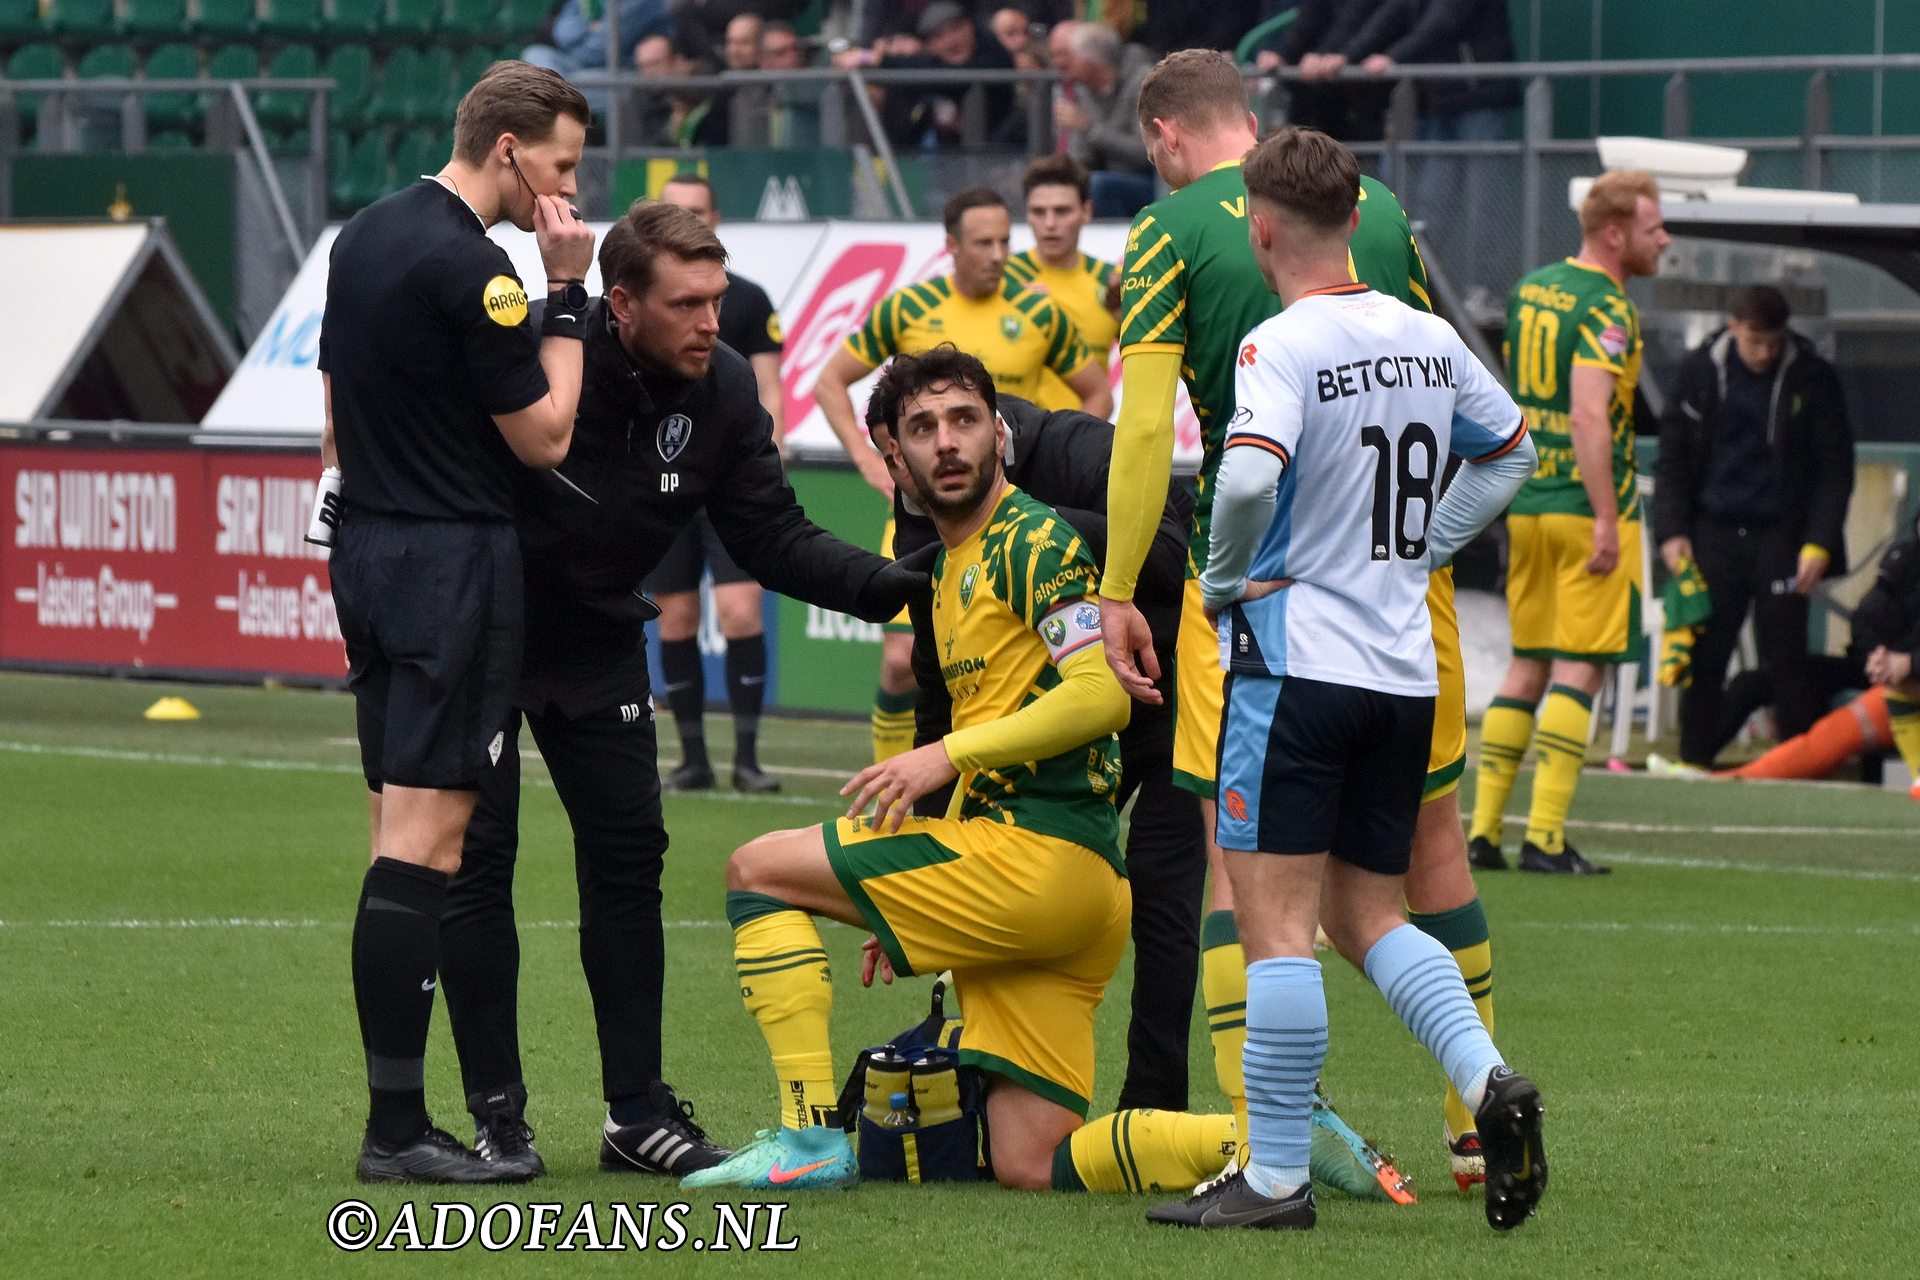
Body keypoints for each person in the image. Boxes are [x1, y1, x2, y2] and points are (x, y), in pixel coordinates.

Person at [437, 199, 935, 1181]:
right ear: (619, 304)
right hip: (482, 634)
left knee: (629, 860)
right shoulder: (539, 354)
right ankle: (498, 1117)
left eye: (717, 297)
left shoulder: (725, 392)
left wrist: (899, 586)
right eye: (689, 303)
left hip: (598, 643)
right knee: (476, 864)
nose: (716, 320)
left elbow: (773, 537)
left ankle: (637, 1112)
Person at [682, 346, 1238, 1195]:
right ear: (892, 459)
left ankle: (805, 1136)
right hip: (1071, 891)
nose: (947, 442)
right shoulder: (945, 572)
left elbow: (1102, 699)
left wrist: (943, 755)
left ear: (1000, 436)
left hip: (1034, 864)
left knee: (755, 873)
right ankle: (1260, 1140)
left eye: (965, 420)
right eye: (923, 428)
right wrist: (908, 885)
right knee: (1030, 1161)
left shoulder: (1033, 539)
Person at [1101, 50, 1501, 1194]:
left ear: (1167, 136)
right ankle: (1472, 1113)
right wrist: (1432, 538)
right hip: (1403, 584)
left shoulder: (1170, 224)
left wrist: (1130, 585)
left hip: (1274, 590)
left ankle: (1259, 1143)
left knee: (1249, 876)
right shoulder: (1367, 205)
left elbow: (1146, 437)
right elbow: (1468, 408)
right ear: (1255, 120)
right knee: (1429, 852)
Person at [318, 61, 596, 1183]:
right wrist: (564, 293)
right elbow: (547, 436)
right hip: (451, 562)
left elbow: (333, 399)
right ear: (511, 149)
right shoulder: (478, 266)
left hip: (369, 547)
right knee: (425, 848)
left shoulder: (364, 233)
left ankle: (399, 1115)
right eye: (563, 165)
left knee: (398, 833)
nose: (569, 190)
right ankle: (395, 1129)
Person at [879, 387, 1205, 1112]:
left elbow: (1168, 546)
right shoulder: (921, 516)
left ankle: (1158, 1101)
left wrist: (1027, 529)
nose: (925, 462)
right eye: (903, 451)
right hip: (1041, 727)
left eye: (953, 426)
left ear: (996, 429)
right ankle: (995, 1072)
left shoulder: (1072, 445)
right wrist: (929, 837)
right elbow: (939, 688)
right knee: (999, 874)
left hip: (1162, 693)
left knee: (1164, 888)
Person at [813, 186, 1110, 769]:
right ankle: (891, 794)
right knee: (904, 661)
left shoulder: (1039, 311)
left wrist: (1047, 467)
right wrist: (869, 458)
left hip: (1009, 508)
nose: (998, 254)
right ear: (951, 245)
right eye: (983, 243)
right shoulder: (907, 308)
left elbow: (1096, 389)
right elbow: (830, 380)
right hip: (932, 510)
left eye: (1005, 240)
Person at [1469, 169, 1669, 874]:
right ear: (1615, 234)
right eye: (1654, 229)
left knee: (1528, 662)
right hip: (1585, 508)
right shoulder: (1608, 310)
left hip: (1527, 500)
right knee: (1581, 669)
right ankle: (1546, 838)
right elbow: (1589, 411)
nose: (1663, 240)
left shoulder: (1534, 287)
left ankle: (1485, 830)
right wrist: (1610, 519)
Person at [1654, 284, 1854, 772]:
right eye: (1755, 341)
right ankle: (1694, 761)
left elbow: (1835, 469)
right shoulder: (1700, 372)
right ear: (1734, 327)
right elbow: (1673, 459)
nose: (1764, 353)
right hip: (1713, 532)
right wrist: (1672, 531)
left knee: (1786, 657)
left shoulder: (1813, 378)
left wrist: (1819, 542)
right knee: (1707, 654)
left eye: (1773, 341)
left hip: (1783, 535)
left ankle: (1801, 765)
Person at [645, 174, 788, 794]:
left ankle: (748, 759)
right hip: (662, 490)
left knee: (739, 611)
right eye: (676, 212)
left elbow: (770, 391)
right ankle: (693, 760)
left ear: (717, 218)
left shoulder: (750, 300)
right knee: (674, 618)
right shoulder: (637, 301)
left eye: (697, 212)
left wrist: (762, 470)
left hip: (728, 489)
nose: (688, 221)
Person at [1005, 155, 1120, 408]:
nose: (1049, 223)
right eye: (1038, 212)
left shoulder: (1110, 281)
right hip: (1016, 438)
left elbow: (1150, 368)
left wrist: (1126, 317)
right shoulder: (1005, 280)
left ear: (1086, 212)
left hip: (1080, 437)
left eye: (1062, 211)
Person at [1052, 22, 1157, 217]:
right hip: (1103, 175)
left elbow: (1145, 153)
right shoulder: (1082, 89)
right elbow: (1084, 159)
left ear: (1088, 62)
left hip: (1148, 181)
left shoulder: (1144, 84)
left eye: (1069, 57)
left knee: (1096, 185)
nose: (1061, 64)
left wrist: (1089, 129)